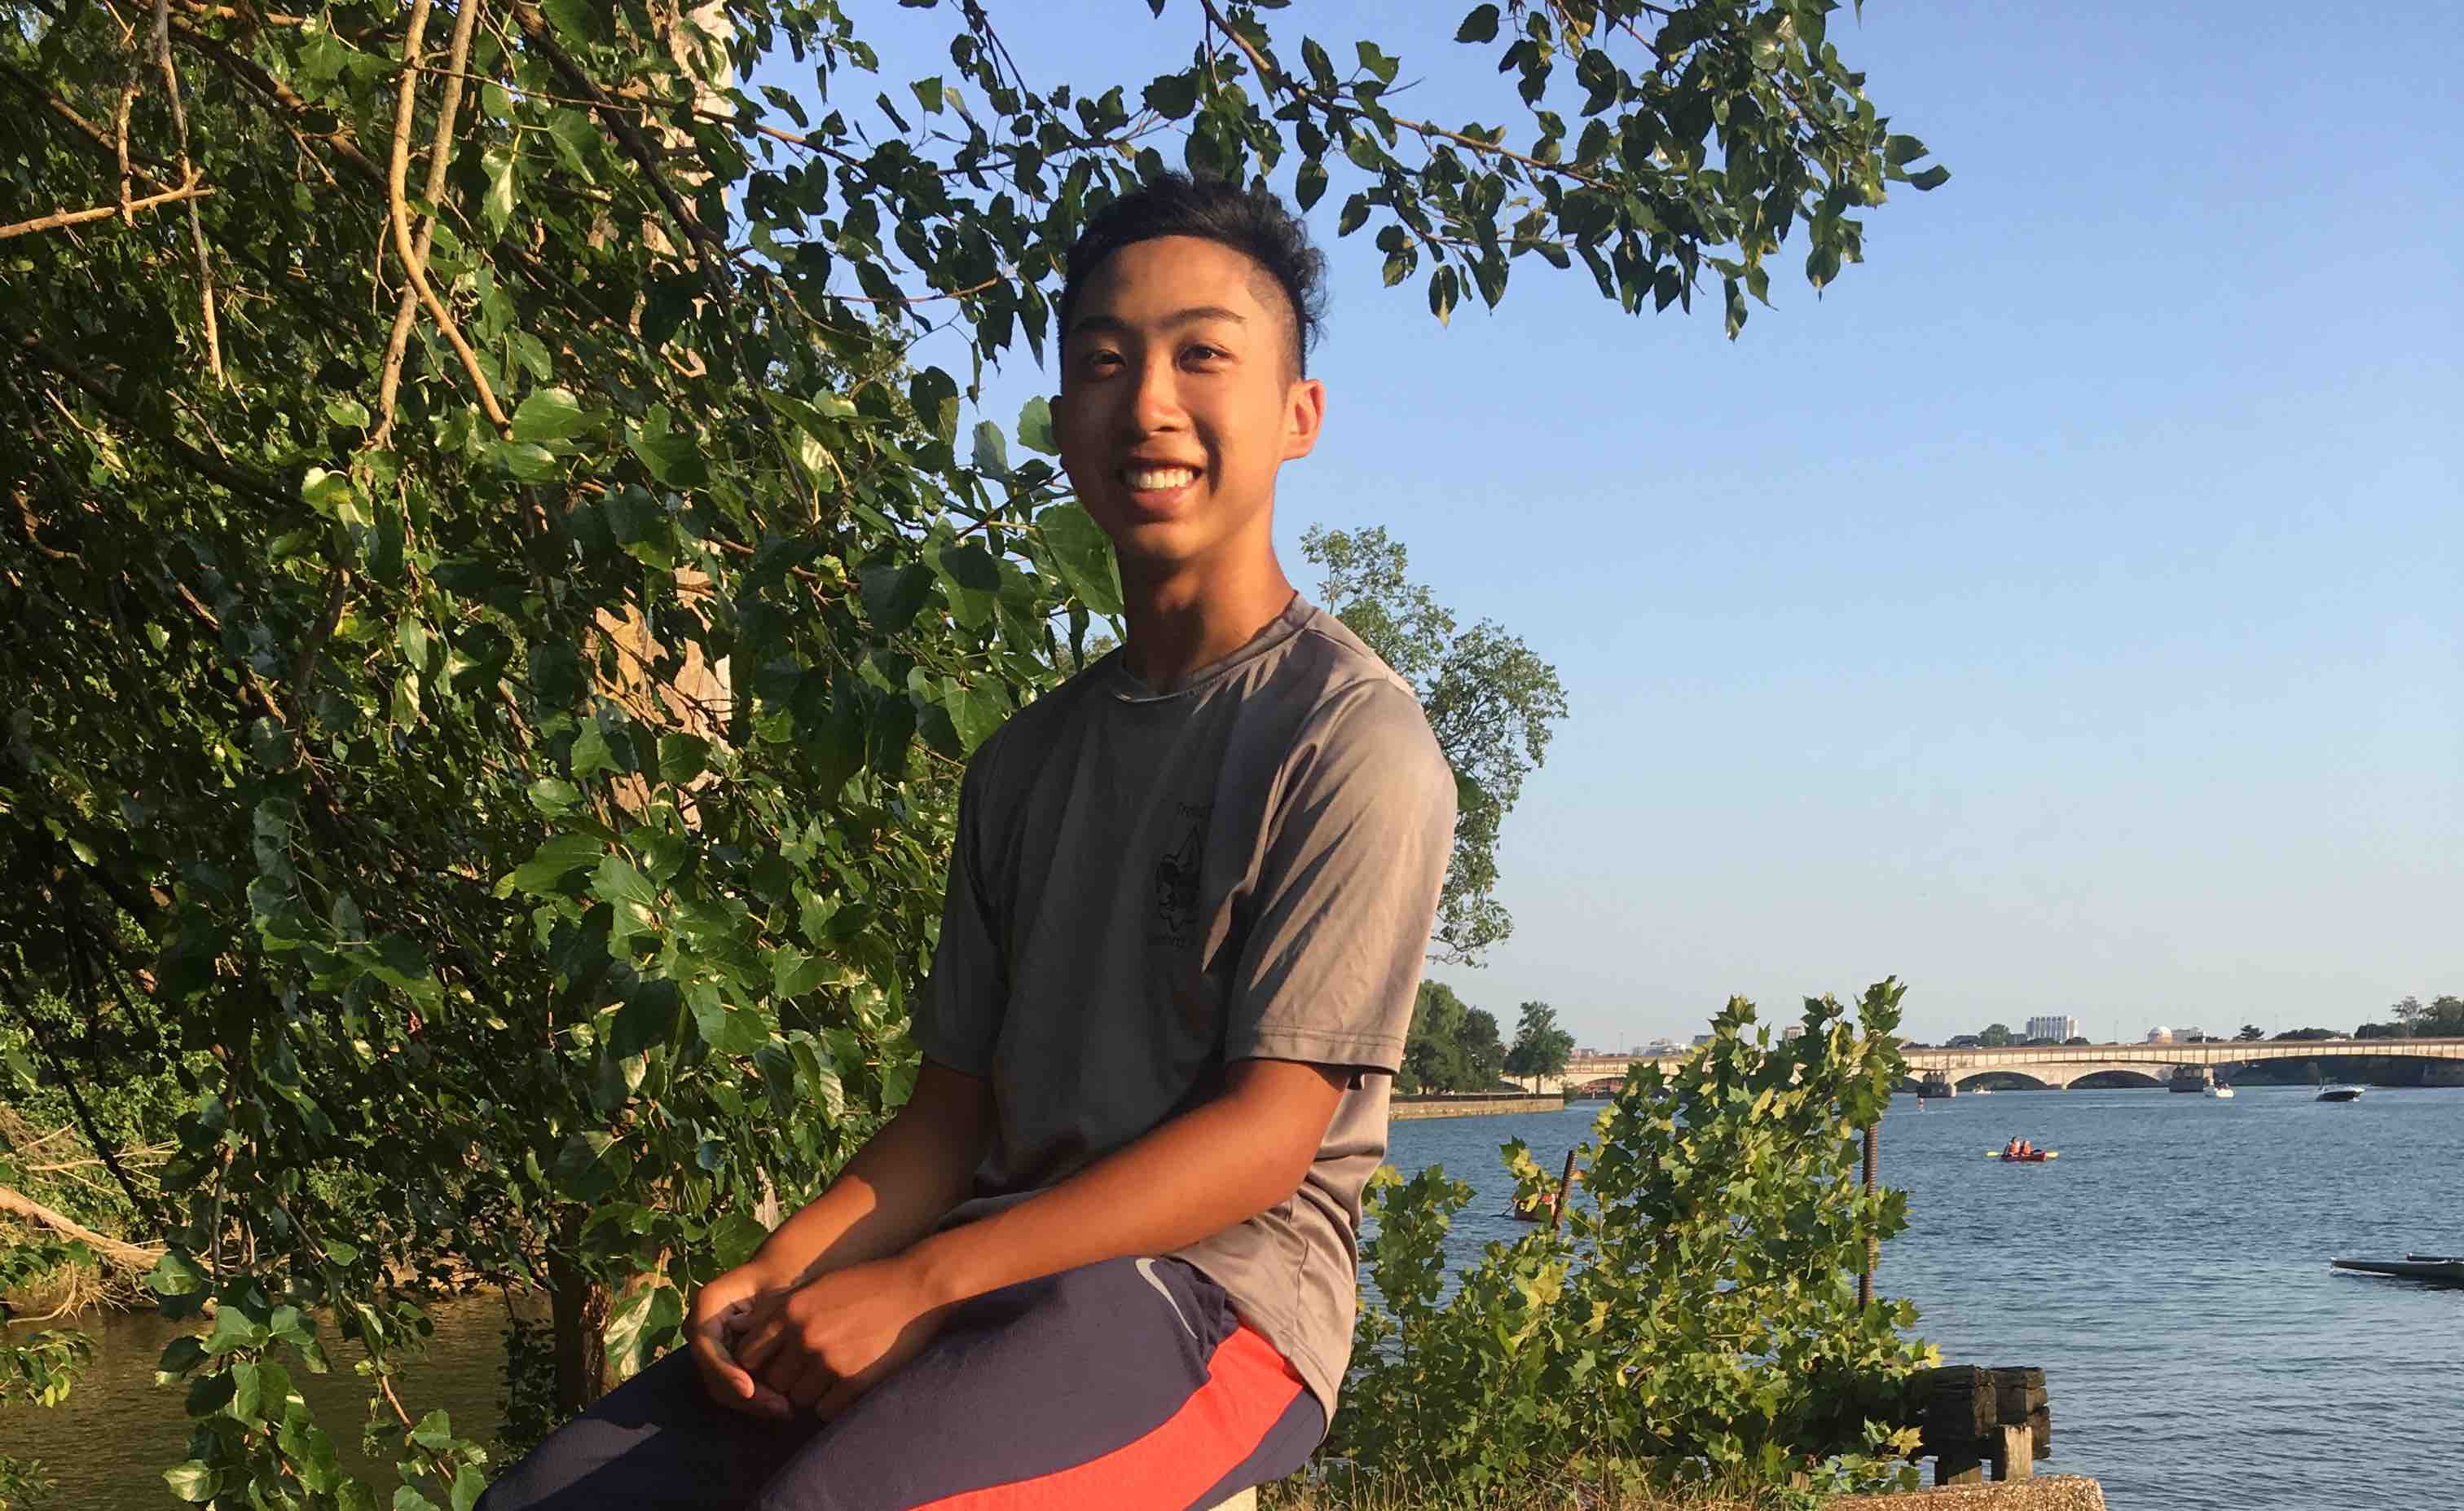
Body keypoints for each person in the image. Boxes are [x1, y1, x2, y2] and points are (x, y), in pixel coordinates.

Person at [479, 174, 1457, 1511]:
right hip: (990, 1271)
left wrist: (923, 1282)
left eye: (1203, 355)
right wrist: (787, 1267)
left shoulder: (1345, 735)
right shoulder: (1022, 768)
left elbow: (1266, 1137)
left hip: (1222, 1301)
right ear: (1065, 416)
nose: (1150, 402)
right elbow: (951, 1117)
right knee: (552, 1497)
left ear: (1299, 415)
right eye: (1105, 362)